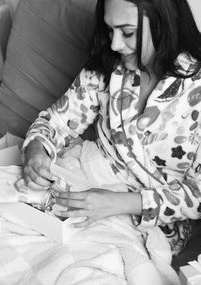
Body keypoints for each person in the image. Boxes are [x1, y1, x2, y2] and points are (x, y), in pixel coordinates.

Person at [17, 0, 201, 257]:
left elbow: (198, 194)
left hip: (145, 219)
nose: (114, 44)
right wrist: (36, 151)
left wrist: (117, 203)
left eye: (127, 32)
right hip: (85, 176)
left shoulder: (196, 90)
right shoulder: (106, 68)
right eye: (109, 30)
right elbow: (55, 122)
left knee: (76, 266)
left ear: (165, 24)